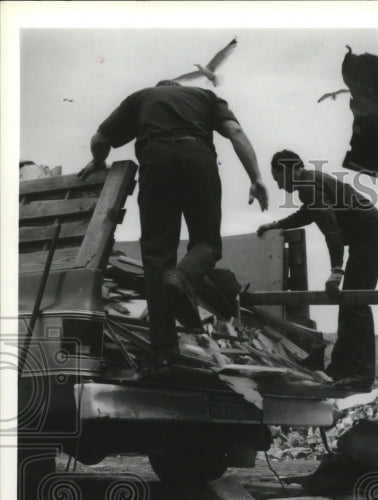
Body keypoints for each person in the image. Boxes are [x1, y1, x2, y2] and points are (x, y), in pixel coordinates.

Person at [79, 80, 269, 369]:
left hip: (157, 162)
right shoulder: (206, 97)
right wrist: (256, 178)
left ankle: (165, 352)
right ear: (180, 87)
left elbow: (99, 140)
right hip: (198, 160)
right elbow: (236, 133)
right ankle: (182, 277)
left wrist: (98, 161)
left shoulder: (142, 98)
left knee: (157, 256)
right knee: (207, 243)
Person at [257, 150, 378, 392]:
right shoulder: (311, 182)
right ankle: (340, 368)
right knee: (349, 304)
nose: (278, 185)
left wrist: (336, 271)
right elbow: (309, 214)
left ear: (288, 169)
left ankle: (361, 374)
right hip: (368, 240)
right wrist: (277, 225)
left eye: (277, 178)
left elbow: (331, 229)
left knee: (356, 304)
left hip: (372, 240)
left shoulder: (309, 185)